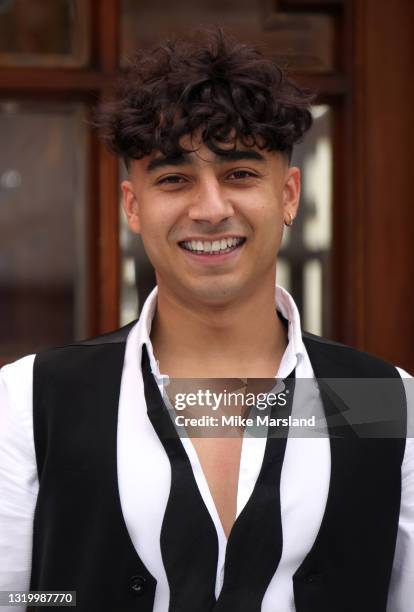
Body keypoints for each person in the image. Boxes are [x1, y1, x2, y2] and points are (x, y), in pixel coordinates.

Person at [0, 29, 413, 612]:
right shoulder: (32, 398)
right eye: (174, 179)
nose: (211, 209)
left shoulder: (381, 399)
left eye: (240, 174)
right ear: (133, 205)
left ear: (289, 195)